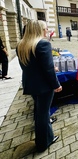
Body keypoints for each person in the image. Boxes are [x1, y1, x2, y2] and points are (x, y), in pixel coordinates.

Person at [16, 20, 62, 152]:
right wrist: (56, 84)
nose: (46, 32)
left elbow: (30, 65)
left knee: (39, 110)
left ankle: (43, 135)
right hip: (43, 85)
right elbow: (47, 69)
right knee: (42, 114)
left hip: (30, 83)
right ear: (38, 30)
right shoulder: (43, 44)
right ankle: (44, 142)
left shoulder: (21, 44)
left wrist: (50, 68)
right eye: (45, 29)